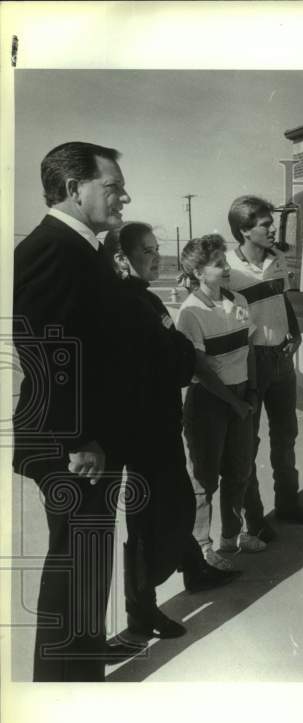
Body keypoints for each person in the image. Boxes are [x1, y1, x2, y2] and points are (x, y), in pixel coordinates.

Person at [13, 141, 132, 680]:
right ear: (72, 188)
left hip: (89, 439)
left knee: (89, 556)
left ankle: (84, 659)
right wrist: (79, 437)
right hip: (74, 443)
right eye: (112, 186)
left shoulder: (83, 247)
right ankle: (62, 685)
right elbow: (45, 350)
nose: (123, 196)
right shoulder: (51, 248)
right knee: (75, 559)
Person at [110, 222, 240, 639]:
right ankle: (141, 612)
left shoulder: (146, 299)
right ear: (121, 258)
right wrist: (178, 357)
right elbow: (179, 361)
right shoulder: (123, 304)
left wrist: (178, 356)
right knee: (148, 523)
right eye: (147, 251)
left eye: (157, 249)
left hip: (162, 424)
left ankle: (194, 569)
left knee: (180, 501)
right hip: (142, 431)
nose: (157, 258)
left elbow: (180, 355)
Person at [226, 195, 303, 543]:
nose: (272, 228)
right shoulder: (229, 269)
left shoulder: (277, 258)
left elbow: (282, 300)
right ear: (244, 230)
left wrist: (295, 331)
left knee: (286, 437)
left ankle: (289, 505)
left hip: (282, 360)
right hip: (250, 365)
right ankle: (255, 520)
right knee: (248, 444)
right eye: (264, 224)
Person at [176, 234, 266, 567]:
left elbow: (250, 351)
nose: (226, 268)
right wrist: (236, 403)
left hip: (242, 396)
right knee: (204, 479)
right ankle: (202, 548)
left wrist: (253, 392)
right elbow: (203, 372)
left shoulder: (240, 301)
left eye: (225, 262)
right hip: (210, 402)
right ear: (199, 272)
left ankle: (231, 538)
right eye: (218, 264)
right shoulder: (190, 312)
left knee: (239, 470)